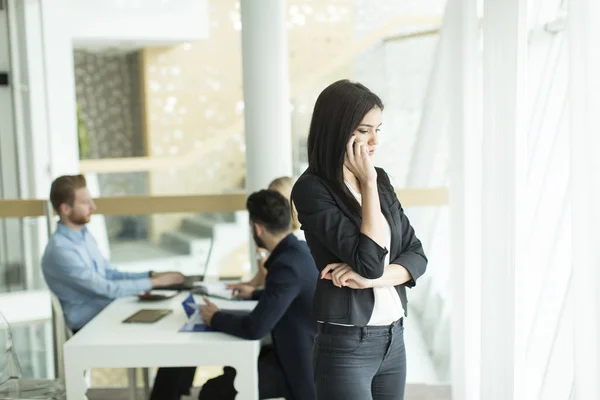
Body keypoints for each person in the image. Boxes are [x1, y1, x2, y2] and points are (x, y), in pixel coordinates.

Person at [291, 79, 428, 400]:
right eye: (365, 130)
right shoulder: (312, 189)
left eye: (378, 129)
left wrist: (370, 282)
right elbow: (368, 261)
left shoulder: (382, 181)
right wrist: (366, 183)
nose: (374, 140)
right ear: (338, 129)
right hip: (346, 345)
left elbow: (417, 256)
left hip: (394, 338)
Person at [149, 190, 318, 400]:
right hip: (298, 354)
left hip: (296, 369)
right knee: (227, 373)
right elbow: (288, 298)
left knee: (213, 391)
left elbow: (254, 328)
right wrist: (255, 294)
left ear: (257, 228)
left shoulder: (286, 266)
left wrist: (214, 317)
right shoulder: (299, 251)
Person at [41, 174, 185, 332]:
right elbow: (107, 289)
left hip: (108, 312)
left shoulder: (84, 236)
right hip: (90, 326)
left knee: (171, 317)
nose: (93, 207)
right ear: (65, 209)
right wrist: (156, 282)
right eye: (85, 202)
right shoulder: (61, 251)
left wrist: (150, 275)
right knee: (164, 328)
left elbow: (109, 274)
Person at [228, 176, 303, 295]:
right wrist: (238, 287)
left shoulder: (295, 241)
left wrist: (262, 254)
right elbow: (258, 281)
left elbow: (272, 282)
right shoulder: (272, 235)